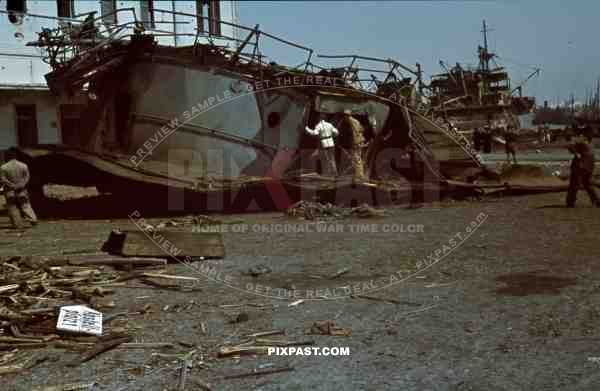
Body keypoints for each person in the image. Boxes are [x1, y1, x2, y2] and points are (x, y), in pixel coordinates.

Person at [1, 148, 37, 228]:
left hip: (10, 191)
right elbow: (27, 177)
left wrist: (12, 185)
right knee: (25, 205)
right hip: (22, 189)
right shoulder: (23, 165)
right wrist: (22, 185)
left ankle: (17, 224)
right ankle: (33, 219)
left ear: (7, 156)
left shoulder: (4, 167)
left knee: (12, 207)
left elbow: (3, 179)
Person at [566, 135, 599, 207]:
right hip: (589, 166)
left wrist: (576, 153)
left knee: (574, 185)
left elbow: (570, 147)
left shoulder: (581, 142)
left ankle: (570, 202)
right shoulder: (590, 145)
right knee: (588, 184)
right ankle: (596, 201)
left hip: (580, 166)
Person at [342, 109, 366, 181]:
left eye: (344, 116)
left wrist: (356, 142)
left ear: (347, 116)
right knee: (356, 159)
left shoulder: (352, 121)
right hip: (359, 141)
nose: (344, 118)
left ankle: (360, 176)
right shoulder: (355, 121)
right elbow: (362, 129)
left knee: (357, 159)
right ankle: (358, 175)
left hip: (357, 142)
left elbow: (356, 132)